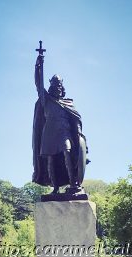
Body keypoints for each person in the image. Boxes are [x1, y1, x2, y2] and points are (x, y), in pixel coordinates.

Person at [32, 54, 89, 194]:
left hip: (64, 133)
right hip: (49, 133)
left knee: (67, 152)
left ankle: (73, 183)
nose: (57, 87)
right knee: (50, 160)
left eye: (59, 85)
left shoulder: (68, 103)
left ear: (62, 88)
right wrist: (38, 65)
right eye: (54, 85)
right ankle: (55, 187)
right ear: (51, 87)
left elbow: (76, 121)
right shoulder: (46, 100)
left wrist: (79, 136)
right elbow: (38, 84)